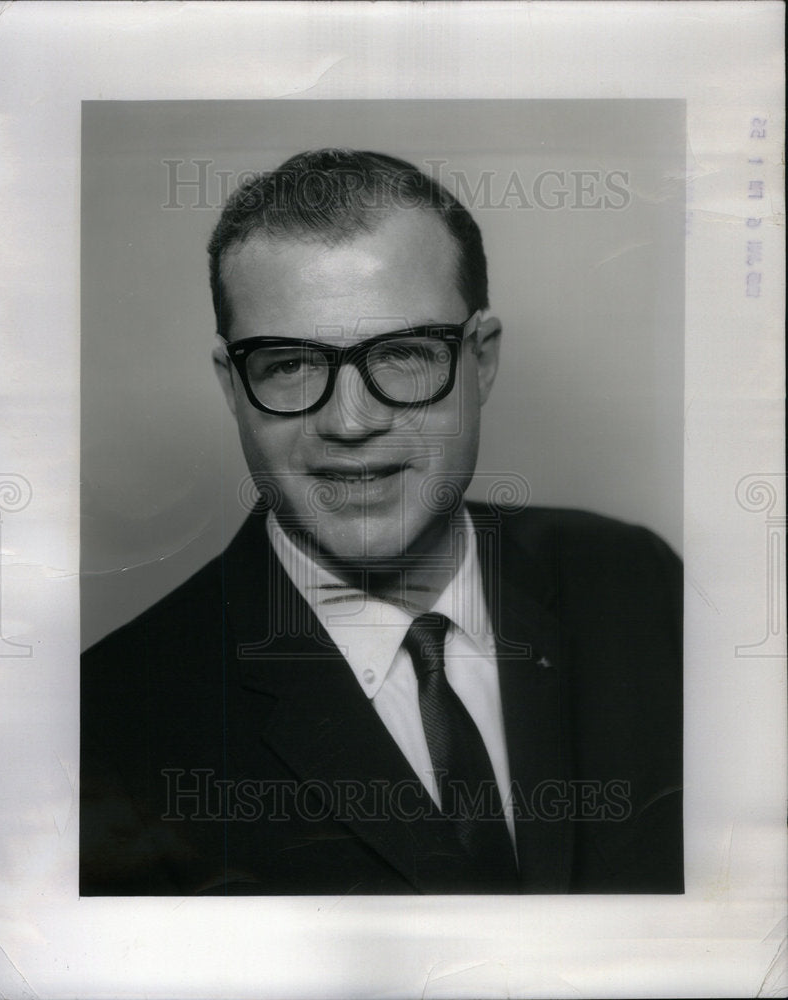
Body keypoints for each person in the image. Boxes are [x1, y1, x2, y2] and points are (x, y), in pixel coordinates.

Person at [80, 149, 682, 895]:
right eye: (290, 365)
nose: (350, 422)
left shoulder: (635, 582)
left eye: (402, 355)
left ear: (482, 360)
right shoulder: (105, 730)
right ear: (232, 386)